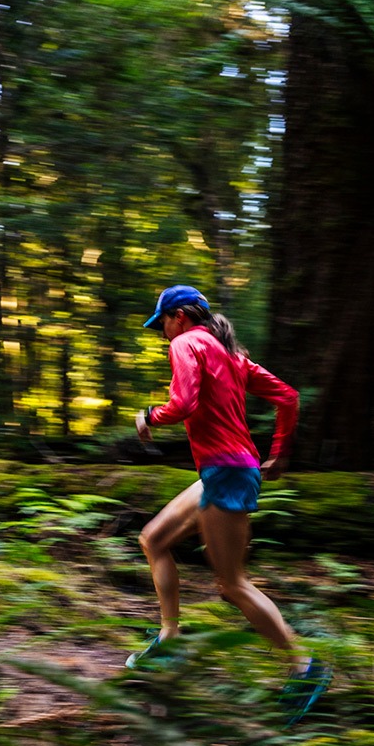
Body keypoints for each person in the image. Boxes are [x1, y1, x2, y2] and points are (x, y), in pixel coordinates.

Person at [129, 284, 329, 721]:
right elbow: (288, 397)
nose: (162, 333)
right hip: (227, 470)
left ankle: (305, 667)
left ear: (179, 316)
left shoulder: (186, 343)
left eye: (161, 323)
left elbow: (183, 403)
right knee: (154, 539)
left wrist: (149, 417)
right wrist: (279, 452)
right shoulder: (231, 355)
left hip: (226, 472)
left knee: (232, 584)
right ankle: (169, 638)